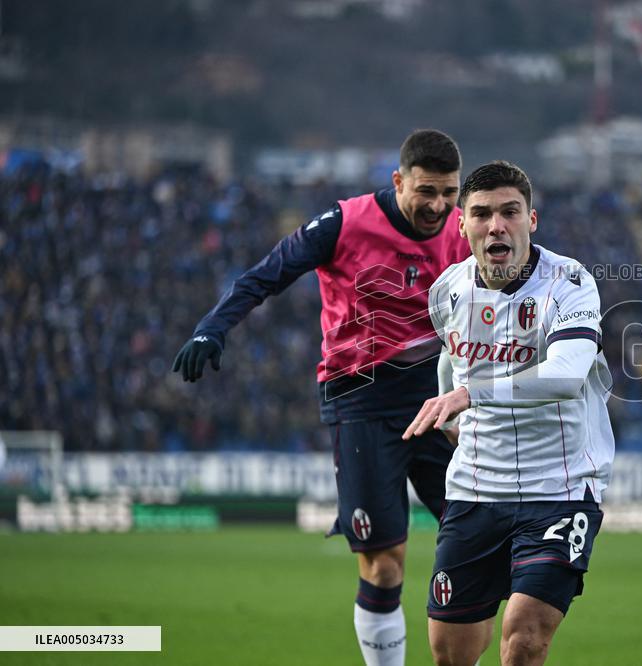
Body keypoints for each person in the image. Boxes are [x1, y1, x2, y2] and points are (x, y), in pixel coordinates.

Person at [172, 129, 470, 666]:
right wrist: (211, 329)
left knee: (477, 542)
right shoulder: (345, 223)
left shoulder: (464, 227)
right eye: (426, 191)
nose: (439, 205)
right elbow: (265, 276)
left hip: (438, 398)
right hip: (361, 401)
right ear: (398, 180)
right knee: (384, 564)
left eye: (449, 192)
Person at [403, 161, 615, 666]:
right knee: (450, 653)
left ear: (531, 221)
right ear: (461, 225)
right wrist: (449, 415)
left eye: (509, 212)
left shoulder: (569, 283)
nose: (496, 225)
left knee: (524, 639)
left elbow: (565, 375)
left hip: (559, 489)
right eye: (481, 213)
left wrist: (471, 395)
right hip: (475, 491)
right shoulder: (447, 291)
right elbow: (449, 360)